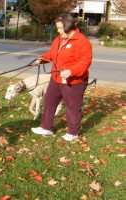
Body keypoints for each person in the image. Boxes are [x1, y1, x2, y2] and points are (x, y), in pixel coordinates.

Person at [31, 13, 92, 141]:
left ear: (68, 26)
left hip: (74, 81)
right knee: (49, 101)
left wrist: (71, 71)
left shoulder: (82, 41)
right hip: (56, 78)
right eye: (57, 28)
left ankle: (73, 132)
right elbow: (52, 55)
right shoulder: (59, 40)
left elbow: (85, 62)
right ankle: (46, 127)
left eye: (60, 28)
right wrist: (42, 59)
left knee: (72, 106)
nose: (58, 31)